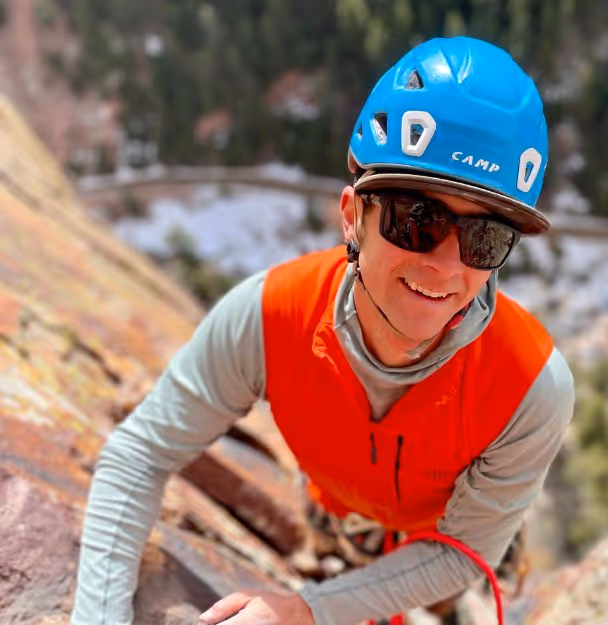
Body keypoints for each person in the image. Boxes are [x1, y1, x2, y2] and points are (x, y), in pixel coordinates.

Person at [70, 35, 574, 625]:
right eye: (417, 221)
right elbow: (138, 455)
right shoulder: (270, 316)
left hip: (454, 554)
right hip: (341, 525)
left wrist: (305, 610)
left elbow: (461, 552)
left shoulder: (529, 386)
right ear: (351, 215)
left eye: (483, 239)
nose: (445, 264)